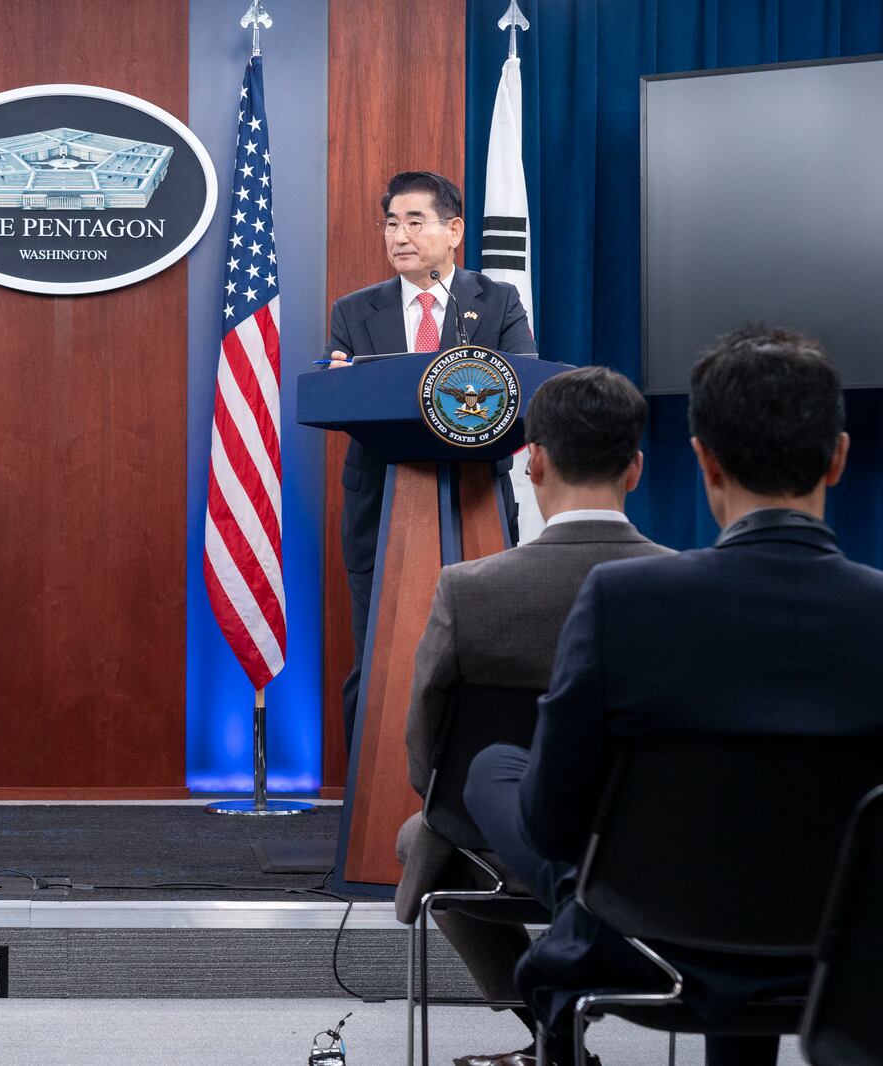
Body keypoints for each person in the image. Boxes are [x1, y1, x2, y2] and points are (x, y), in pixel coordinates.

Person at [464, 326, 882, 1066]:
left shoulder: (626, 603)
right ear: (839, 457)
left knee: (499, 768)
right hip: (849, 950)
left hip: (650, 944)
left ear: (704, 461)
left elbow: (552, 820)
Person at [395, 367, 669, 1066]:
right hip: (652, 855)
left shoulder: (470, 591)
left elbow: (426, 762)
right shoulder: (684, 589)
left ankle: (549, 1030)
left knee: (426, 835)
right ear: (635, 469)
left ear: (534, 459)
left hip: (505, 848)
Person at [324, 171, 536, 765]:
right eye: (391, 222)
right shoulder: (354, 310)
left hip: (473, 500)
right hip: (381, 503)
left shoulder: (497, 301)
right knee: (380, 659)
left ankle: (473, 802)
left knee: (478, 656)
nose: (400, 235)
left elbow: (523, 385)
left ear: (455, 230)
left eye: (415, 221)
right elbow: (340, 399)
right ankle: (366, 809)